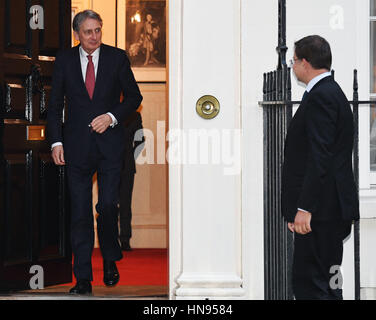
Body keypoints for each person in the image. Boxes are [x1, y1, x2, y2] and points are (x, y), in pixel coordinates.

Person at [47, 10, 143, 295]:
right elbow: (54, 106)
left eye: (98, 30)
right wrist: (56, 142)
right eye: (88, 32)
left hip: (111, 147)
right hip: (76, 148)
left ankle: (111, 258)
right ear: (78, 33)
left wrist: (112, 116)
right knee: (80, 214)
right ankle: (84, 278)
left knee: (107, 207)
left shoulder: (117, 58)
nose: (94, 37)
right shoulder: (64, 60)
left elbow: (134, 97)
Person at [281, 35, 359, 300]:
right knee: (327, 283)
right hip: (328, 210)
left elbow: (319, 157)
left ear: (305, 62)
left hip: (320, 213)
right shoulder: (330, 93)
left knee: (312, 285)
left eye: (293, 61)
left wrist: (305, 208)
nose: (293, 67)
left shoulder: (322, 96)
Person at [118, 110, 145, 251]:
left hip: (123, 166)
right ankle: (119, 240)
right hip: (111, 164)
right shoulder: (107, 110)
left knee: (124, 204)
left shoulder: (134, 115)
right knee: (111, 204)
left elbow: (141, 141)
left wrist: (130, 158)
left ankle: (124, 239)